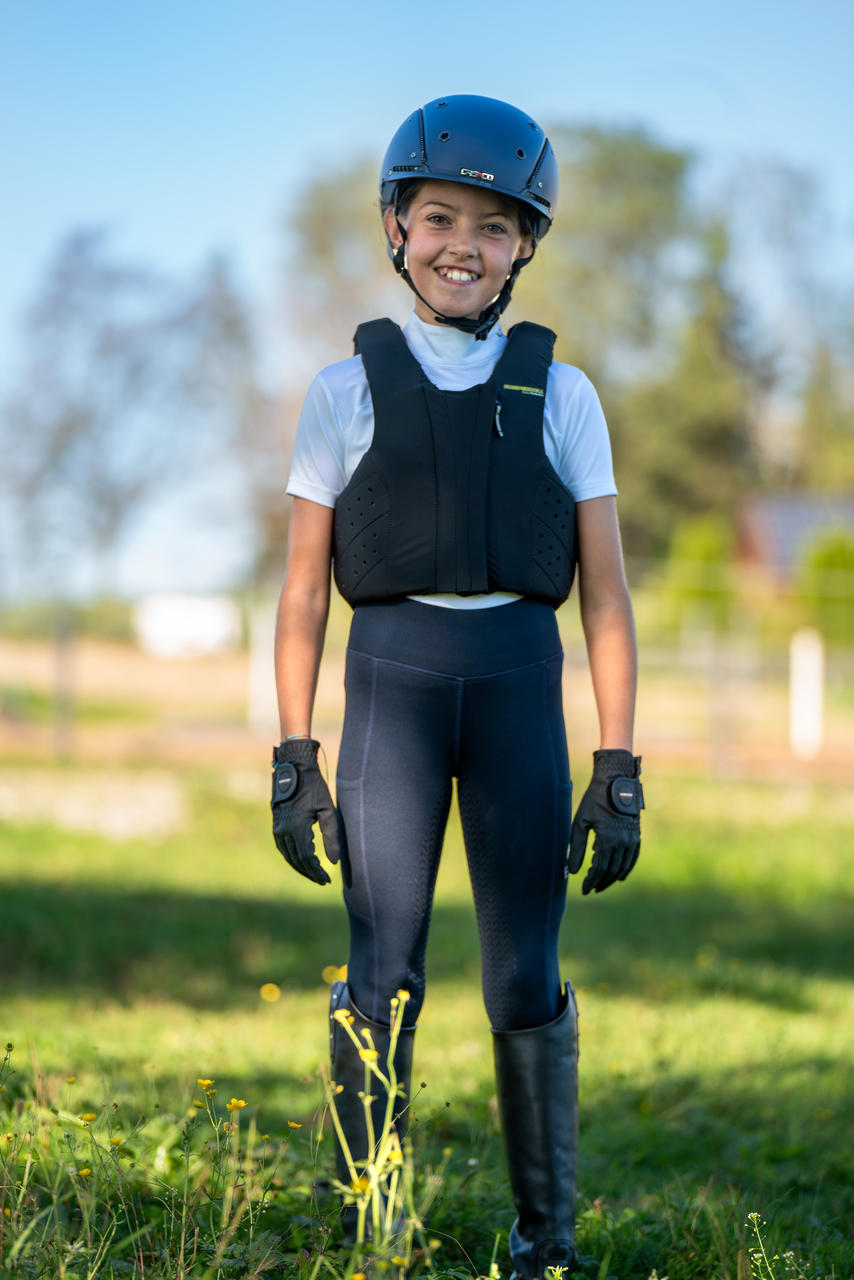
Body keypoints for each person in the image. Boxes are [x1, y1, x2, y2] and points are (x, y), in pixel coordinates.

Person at [271, 94, 644, 1280]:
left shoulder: (563, 393)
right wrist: (294, 753)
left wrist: (617, 761)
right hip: (389, 688)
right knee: (382, 962)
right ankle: (367, 1224)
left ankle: (546, 1241)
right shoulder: (342, 392)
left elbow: (606, 600)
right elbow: (297, 596)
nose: (462, 246)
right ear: (395, 224)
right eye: (439, 217)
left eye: (493, 225)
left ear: (526, 242)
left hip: (518, 689)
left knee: (520, 971)